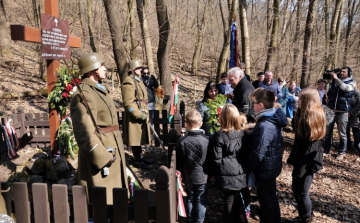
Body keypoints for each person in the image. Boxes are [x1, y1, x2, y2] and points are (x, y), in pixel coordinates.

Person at [70, 52, 128, 204]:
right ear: (92, 69)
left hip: (112, 145)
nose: (105, 68)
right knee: (103, 202)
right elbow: (83, 133)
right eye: (101, 65)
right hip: (102, 151)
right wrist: (102, 157)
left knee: (115, 198)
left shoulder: (98, 89)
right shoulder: (83, 94)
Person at [247, 89, 287, 223]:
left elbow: (258, 153)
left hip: (266, 169)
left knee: (266, 202)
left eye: (254, 103)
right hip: (271, 165)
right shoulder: (270, 117)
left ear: (261, 105)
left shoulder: (265, 125)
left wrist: (247, 167)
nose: (253, 105)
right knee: (271, 197)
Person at [286, 88, 326, 223]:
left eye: (301, 98)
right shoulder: (302, 114)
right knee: (295, 188)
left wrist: (301, 167)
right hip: (301, 156)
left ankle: (305, 217)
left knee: (302, 190)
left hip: (308, 159)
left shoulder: (312, 118)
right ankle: (302, 214)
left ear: (308, 101)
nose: (298, 100)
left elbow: (311, 146)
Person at [208, 104, 250, 223]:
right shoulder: (244, 134)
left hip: (226, 172)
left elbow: (216, 159)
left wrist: (215, 172)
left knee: (229, 199)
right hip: (240, 171)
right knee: (237, 198)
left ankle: (230, 220)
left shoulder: (219, 136)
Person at [177, 110, 209, 223]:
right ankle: (199, 220)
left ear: (186, 124)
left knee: (190, 197)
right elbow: (210, 159)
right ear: (201, 123)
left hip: (188, 174)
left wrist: (181, 173)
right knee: (201, 199)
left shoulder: (182, 141)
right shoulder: (207, 140)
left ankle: (190, 218)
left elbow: (179, 161)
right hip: (203, 175)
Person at [122, 59, 153, 169]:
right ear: (133, 69)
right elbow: (128, 102)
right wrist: (138, 114)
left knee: (139, 138)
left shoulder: (137, 80)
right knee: (135, 139)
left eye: (140, 68)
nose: (141, 69)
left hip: (141, 110)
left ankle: (141, 158)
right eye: (138, 68)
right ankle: (137, 160)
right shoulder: (129, 81)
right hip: (134, 115)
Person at [323, 67, 356, 160]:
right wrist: (328, 81)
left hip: (342, 112)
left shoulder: (352, 83)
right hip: (331, 110)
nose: (341, 73)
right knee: (327, 132)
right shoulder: (334, 81)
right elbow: (326, 91)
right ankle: (326, 149)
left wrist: (336, 79)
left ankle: (341, 152)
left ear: (349, 73)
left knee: (342, 133)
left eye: (343, 72)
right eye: (340, 71)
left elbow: (346, 88)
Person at [346, 88, 360, 153]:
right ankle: (348, 146)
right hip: (345, 116)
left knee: (356, 133)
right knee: (346, 132)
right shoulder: (344, 92)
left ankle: (357, 147)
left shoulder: (357, 94)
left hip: (355, 117)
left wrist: (351, 113)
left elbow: (359, 105)